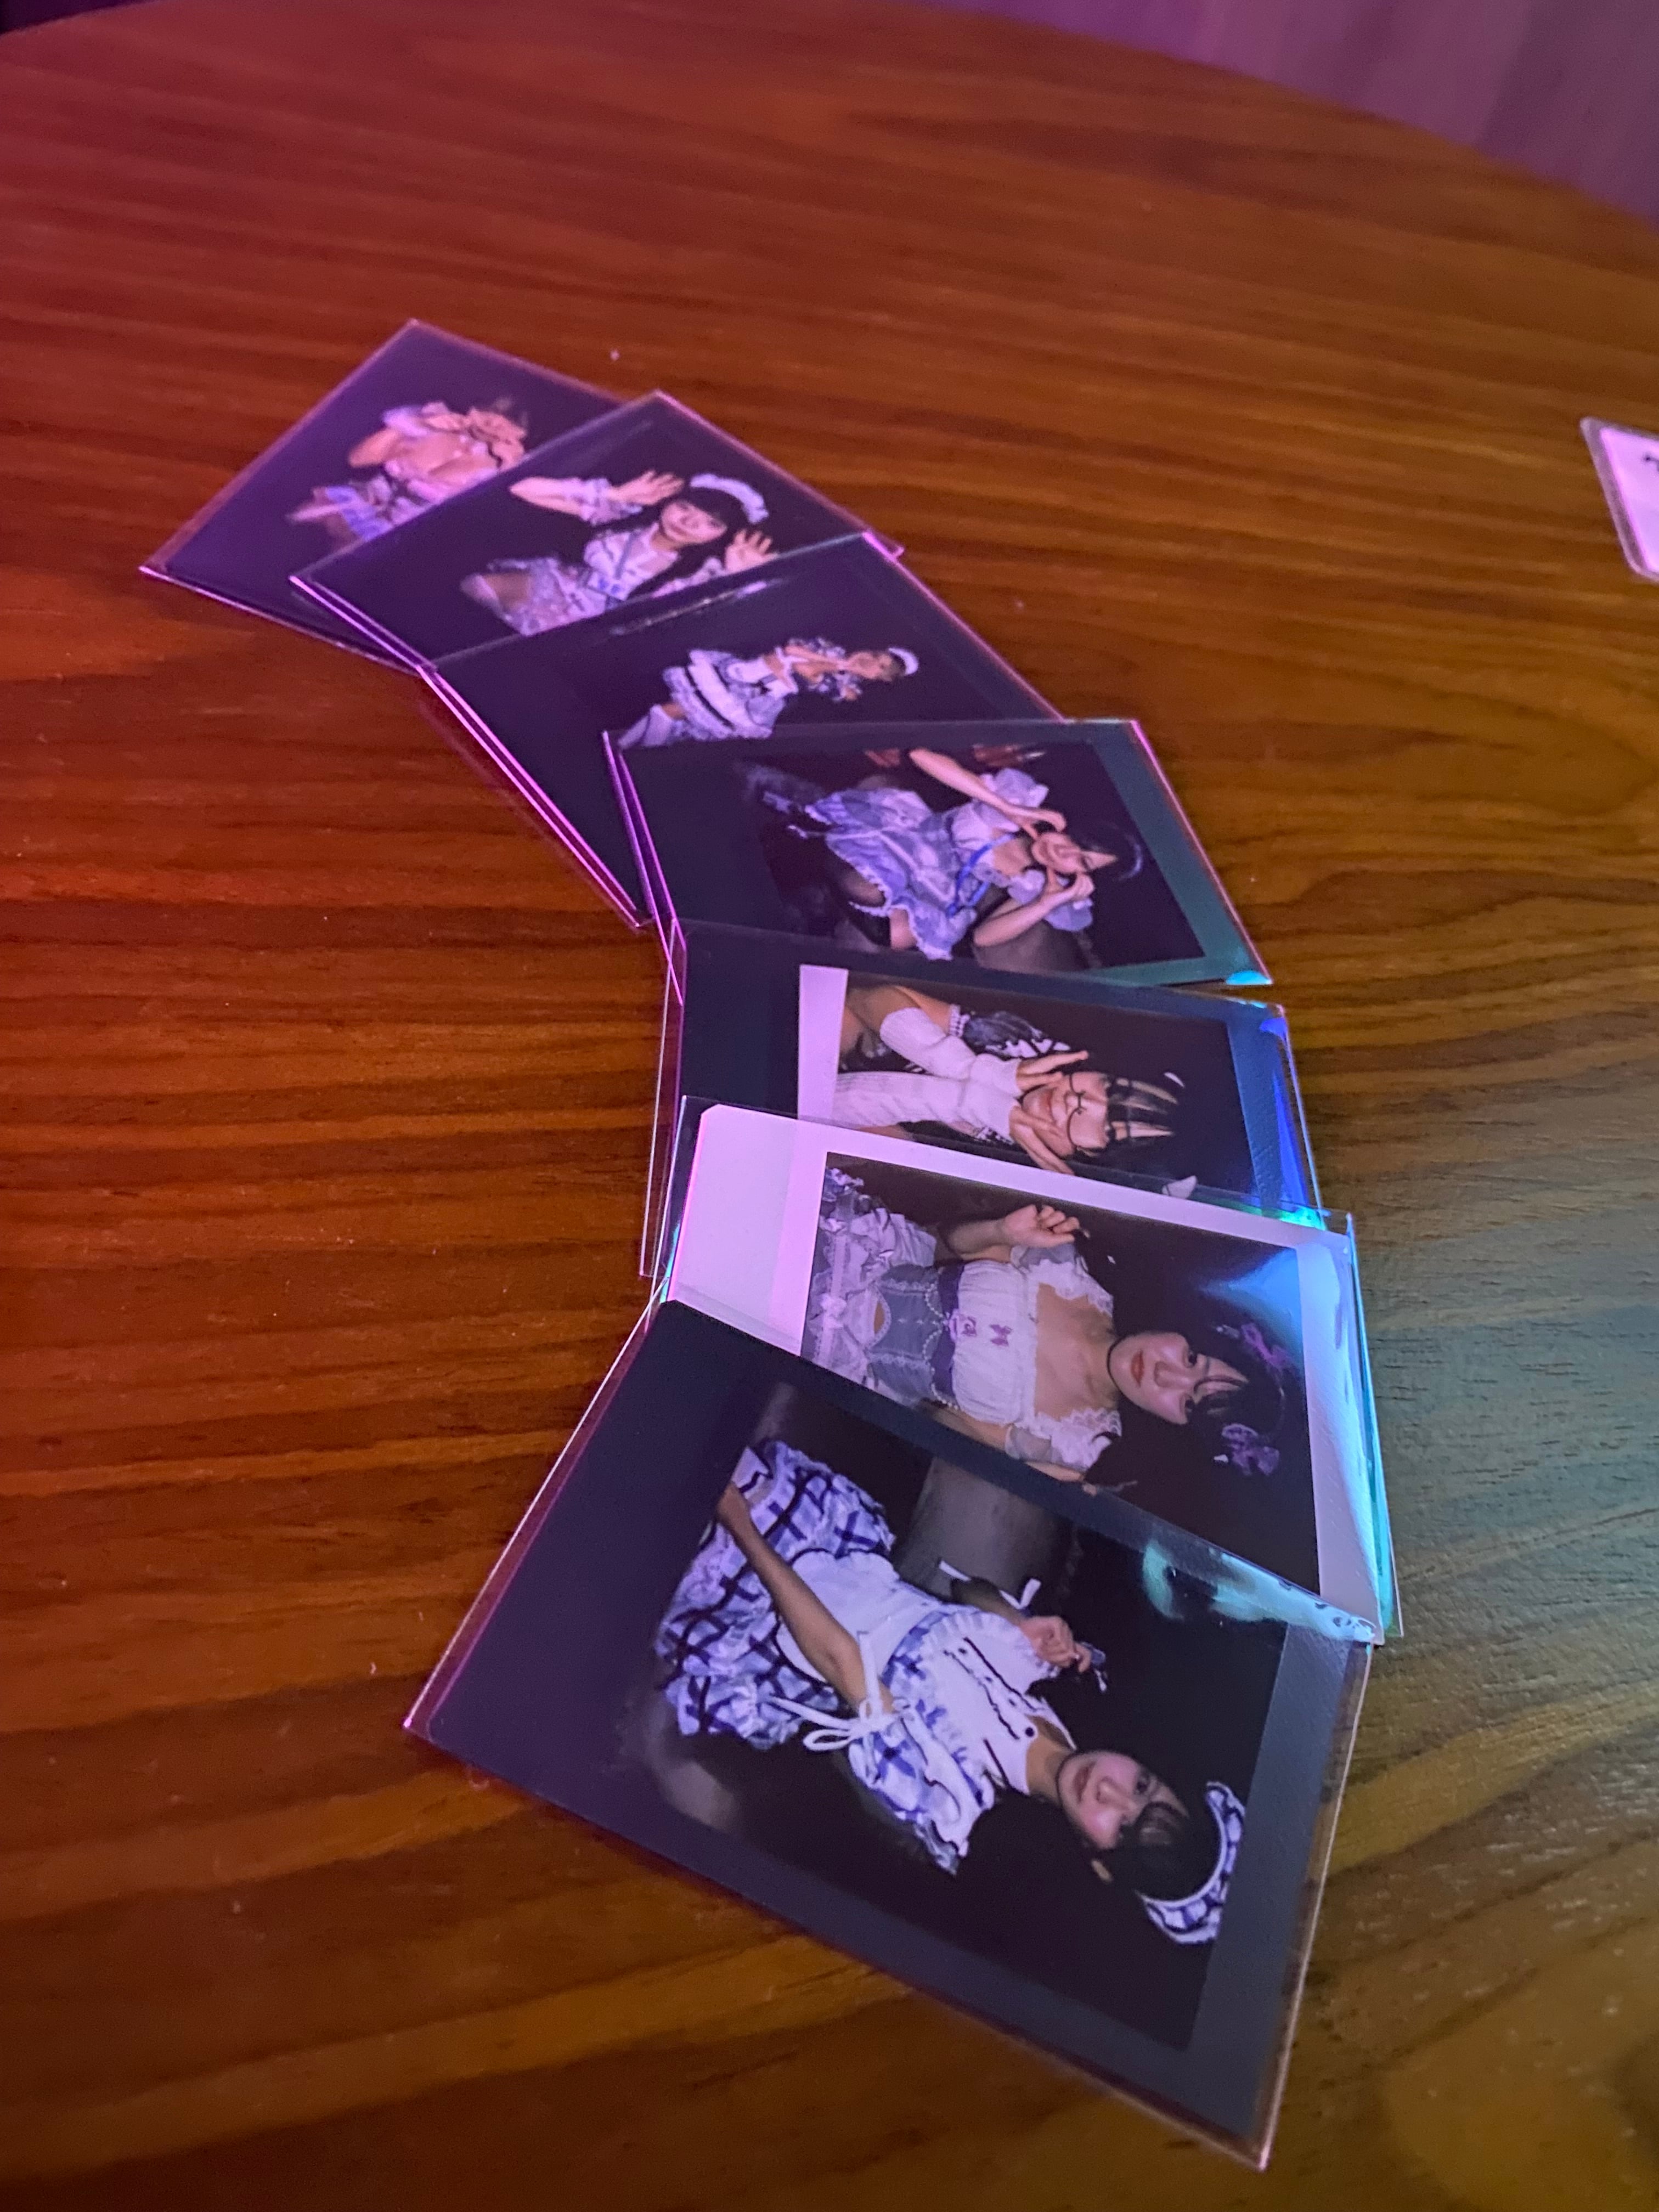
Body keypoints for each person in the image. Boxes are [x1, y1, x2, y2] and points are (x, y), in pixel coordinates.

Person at [654, 1438, 1238, 1940]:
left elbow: (838, 1659)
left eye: (1124, 1828)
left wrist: (742, 1528)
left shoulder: (959, 1804)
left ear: (1101, 1865)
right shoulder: (1061, 1688)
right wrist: (1022, 1625)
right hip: (839, 1549)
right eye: (1142, 1785)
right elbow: (962, 1596)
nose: (1109, 1791)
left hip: (769, 1609)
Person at [805, 1169, 1292, 1483]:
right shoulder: (1074, 1270)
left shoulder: (1073, 1446)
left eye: (1186, 1402)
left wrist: (1022, 1472)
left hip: (830, 1357)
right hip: (852, 1252)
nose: (1166, 1374)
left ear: (1173, 1430)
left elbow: (932, 1421)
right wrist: (1000, 1230)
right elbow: (937, 1244)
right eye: (1192, 1359)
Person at [765, 748, 1142, 962]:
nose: (1066, 851)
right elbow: (922, 756)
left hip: (935, 885)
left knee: (898, 936)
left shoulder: (1033, 884)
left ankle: (812, 880)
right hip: (910, 838)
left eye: (1082, 861)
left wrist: (1046, 902)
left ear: (1082, 877)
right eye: (1079, 841)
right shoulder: (1021, 800)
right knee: (871, 889)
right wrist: (1005, 806)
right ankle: (806, 849)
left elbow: (985, 940)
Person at [831, 979, 1184, 1176]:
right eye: (1108, 1086)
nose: (1080, 1102)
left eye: (1106, 1128)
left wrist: (969, 1101)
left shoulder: (992, 1168)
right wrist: (967, 1069)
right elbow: (865, 1000)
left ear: (1085, 1160)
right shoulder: (1028, 1047)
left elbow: (819, 1108)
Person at [460, 469, 775, 634]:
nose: (688, 523)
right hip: (552, 585)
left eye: (711, 523)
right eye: (685, 507)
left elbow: (745, 622)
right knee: (475, 589)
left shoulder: (703, 573)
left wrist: (742, 579)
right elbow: (522, 489)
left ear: (724, 535)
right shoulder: (625, 519)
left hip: (584, 628)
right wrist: (612, 494)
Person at [288, 399, 530, 544]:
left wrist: (509, 469)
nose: (491, 424)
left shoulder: (505, 470)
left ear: (520, 434)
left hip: (405, 535)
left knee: (342, 559)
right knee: (300, 518)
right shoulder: (430, 422)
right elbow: (358, 460)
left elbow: (483, 525)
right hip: (360, 500)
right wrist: (417, 424)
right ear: (473, 409)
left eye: (507, 423)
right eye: (488, 412)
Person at [614, 637, 918, 749]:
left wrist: (840, 668)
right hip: (743, 677)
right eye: (876, 657)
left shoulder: (848, 690)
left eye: (880, 669)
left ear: (880, 679)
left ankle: (630, 753)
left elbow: (806, 674)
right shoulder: (831, 648)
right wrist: (839, 662)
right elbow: (792, 652)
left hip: (756, 702)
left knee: (669, 713)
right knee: (668, 710)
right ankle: (626, 750)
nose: (870, 664)